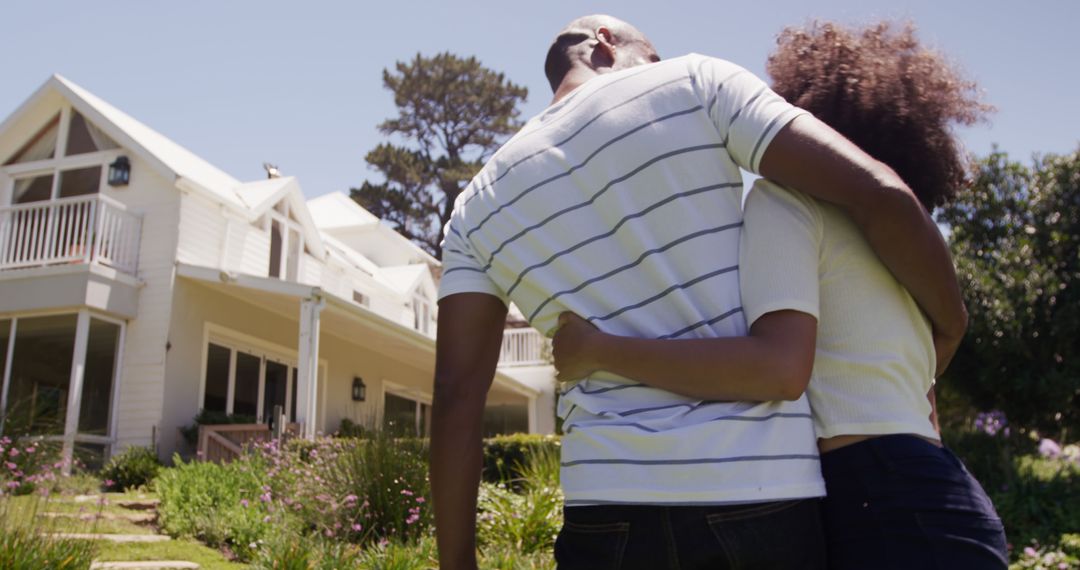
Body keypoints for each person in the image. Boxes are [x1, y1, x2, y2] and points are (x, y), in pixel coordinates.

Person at [432, 14, 966, 570]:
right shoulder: (694, 82)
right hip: (757, 496)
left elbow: (455, 395)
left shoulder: (474, 207)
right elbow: (880, 192)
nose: (657, 67)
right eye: (653, 56)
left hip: (603, 511)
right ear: (606, 45)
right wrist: (950, 325)